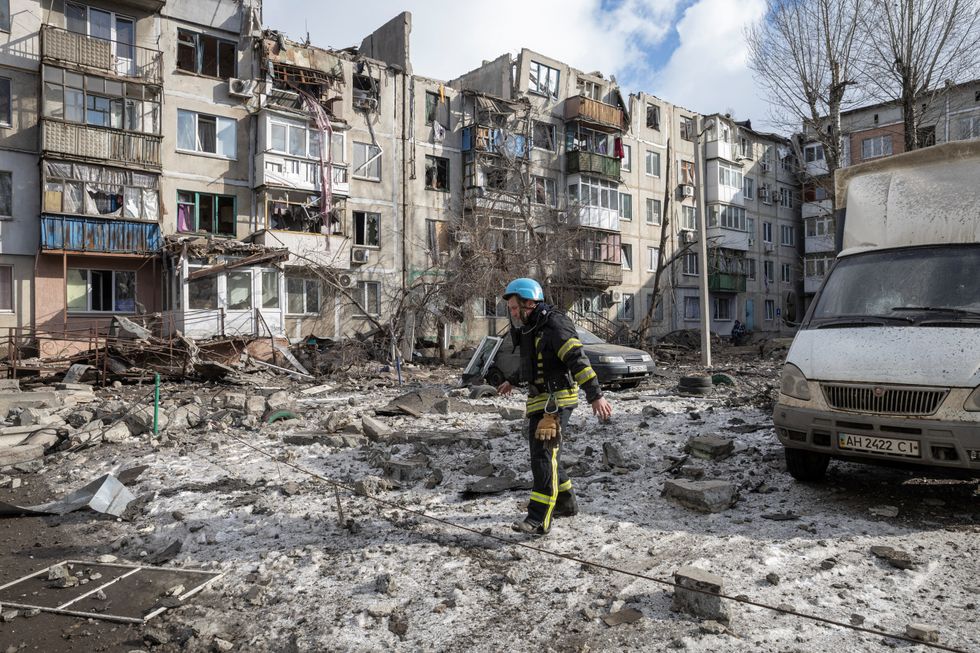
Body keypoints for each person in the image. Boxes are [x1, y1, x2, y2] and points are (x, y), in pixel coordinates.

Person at [496, 278, 613, 536]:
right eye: (512, 310)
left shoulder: (554, 324)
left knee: (542, 456)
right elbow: (533, 363)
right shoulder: (531, 327)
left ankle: (538, 519)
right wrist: (512, 380)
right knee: (550, 456)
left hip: (557, 400)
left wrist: (595, 395)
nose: (513, 314)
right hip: (540, 399)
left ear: (530, 302)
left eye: (516, 308)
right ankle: (566, 502)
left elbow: (576, 359)